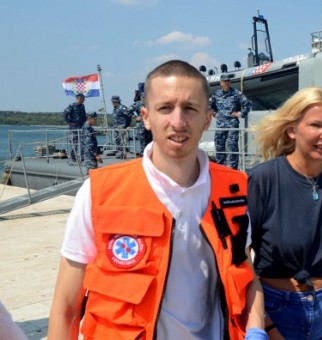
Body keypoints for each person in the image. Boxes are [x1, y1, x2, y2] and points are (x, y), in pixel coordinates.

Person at [48, 60, 266, 340]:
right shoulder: (99, 192)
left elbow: (245, 275)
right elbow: (66, 306)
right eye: (165, 108)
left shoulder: (234, 190)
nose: (178, 121)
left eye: (190, 108)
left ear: (207, 119)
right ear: (146, 117)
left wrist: (256, 328)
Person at [248, 87, 322, 339]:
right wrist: (266, 326)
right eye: (316, 125)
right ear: (292, 130)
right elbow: (242, 260)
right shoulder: (263, 180)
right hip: (277, 312)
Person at [209, 74, 252, 169]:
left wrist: (240, 114)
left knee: (232, 147)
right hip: (220, 125)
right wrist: (215, 114)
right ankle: (220, 169)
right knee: (219, 147)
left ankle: (233, 170)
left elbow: (247, 104)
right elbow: (209, 106)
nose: (226, 82)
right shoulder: (216, 94)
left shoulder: (236, 93)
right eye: (224, 81)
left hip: (232, 124)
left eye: (228, 81)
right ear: (221, 83)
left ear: (230, 82)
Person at [129, 83, 153, 156]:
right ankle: (143, 157)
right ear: (141, 97)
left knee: (151, 143)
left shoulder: (151, 104)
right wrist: (135, 117)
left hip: (150, 126)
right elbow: (128, 111)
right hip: (141, 127)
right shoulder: (137, 104)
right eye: (143, 97)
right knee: (143, 143)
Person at [61, 93, 87, 162]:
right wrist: (69, 121)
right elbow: (64, 114)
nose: (84, 100)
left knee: (82, 143)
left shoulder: (82, 106)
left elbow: (84, 116)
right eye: (83, 99)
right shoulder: (72, 105)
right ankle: (74, 158)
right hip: (74, 129)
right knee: (74, 145)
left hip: (81, 128)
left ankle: (82, 157)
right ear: (79, 99)